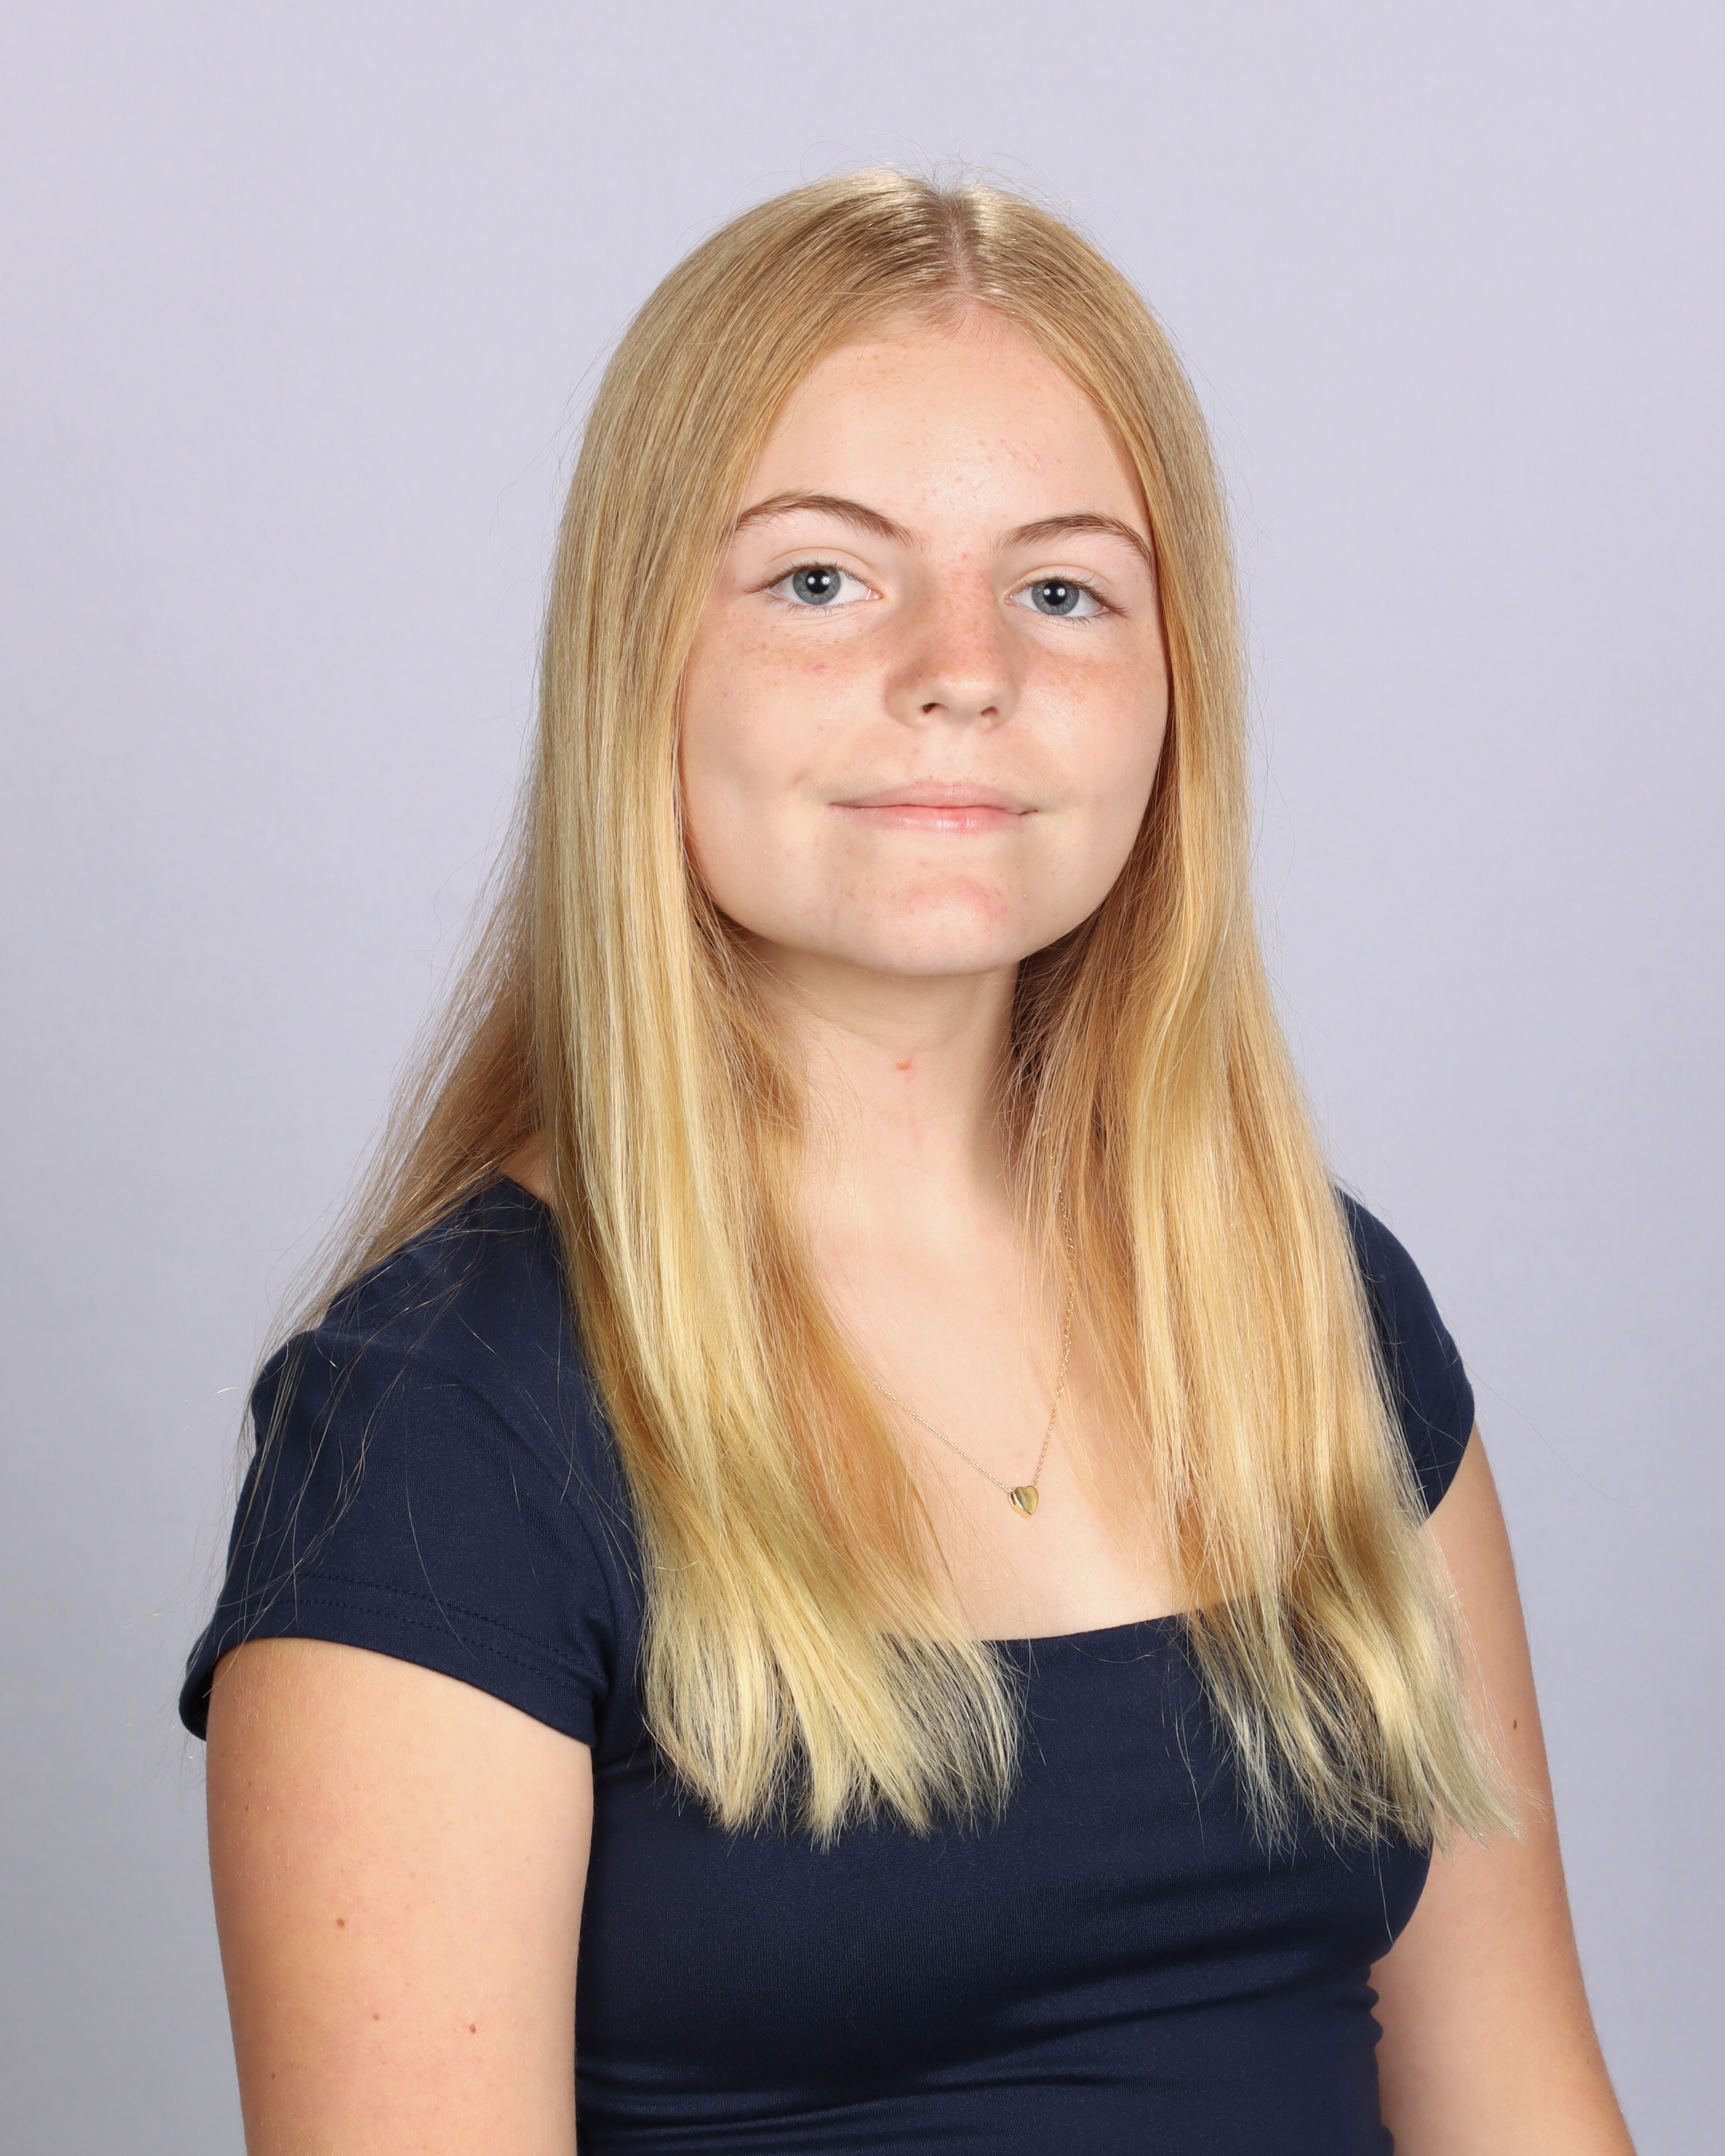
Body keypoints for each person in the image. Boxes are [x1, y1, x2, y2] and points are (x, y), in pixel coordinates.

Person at [182, 169, 1633, 2154]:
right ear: (636, 660)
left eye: (1063, 591)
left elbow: (1528, 2111)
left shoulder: (1320, 1305)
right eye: (819, 580)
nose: (966, 667)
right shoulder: (442, 1422)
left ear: (1175, 694)